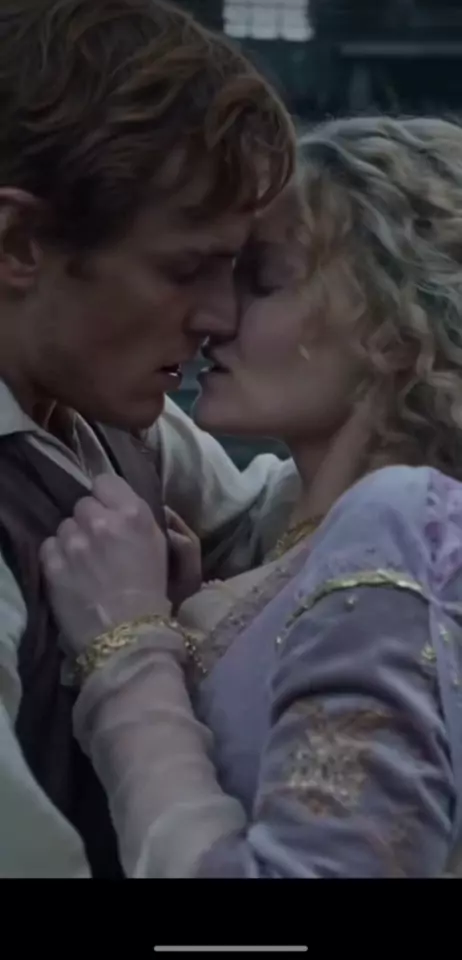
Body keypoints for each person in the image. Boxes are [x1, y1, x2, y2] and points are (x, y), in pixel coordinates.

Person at [43, 115, 462, 878]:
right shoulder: (309, 525)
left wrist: (127, 648)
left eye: (262, 280)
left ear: (396, 325)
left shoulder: (399, 519)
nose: (215, 318)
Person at [0, 0, 299, 878]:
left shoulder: (101, 406)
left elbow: (270, 527)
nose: (220, 315)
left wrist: (394, 392)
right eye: (184, 269)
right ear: (18, 244)